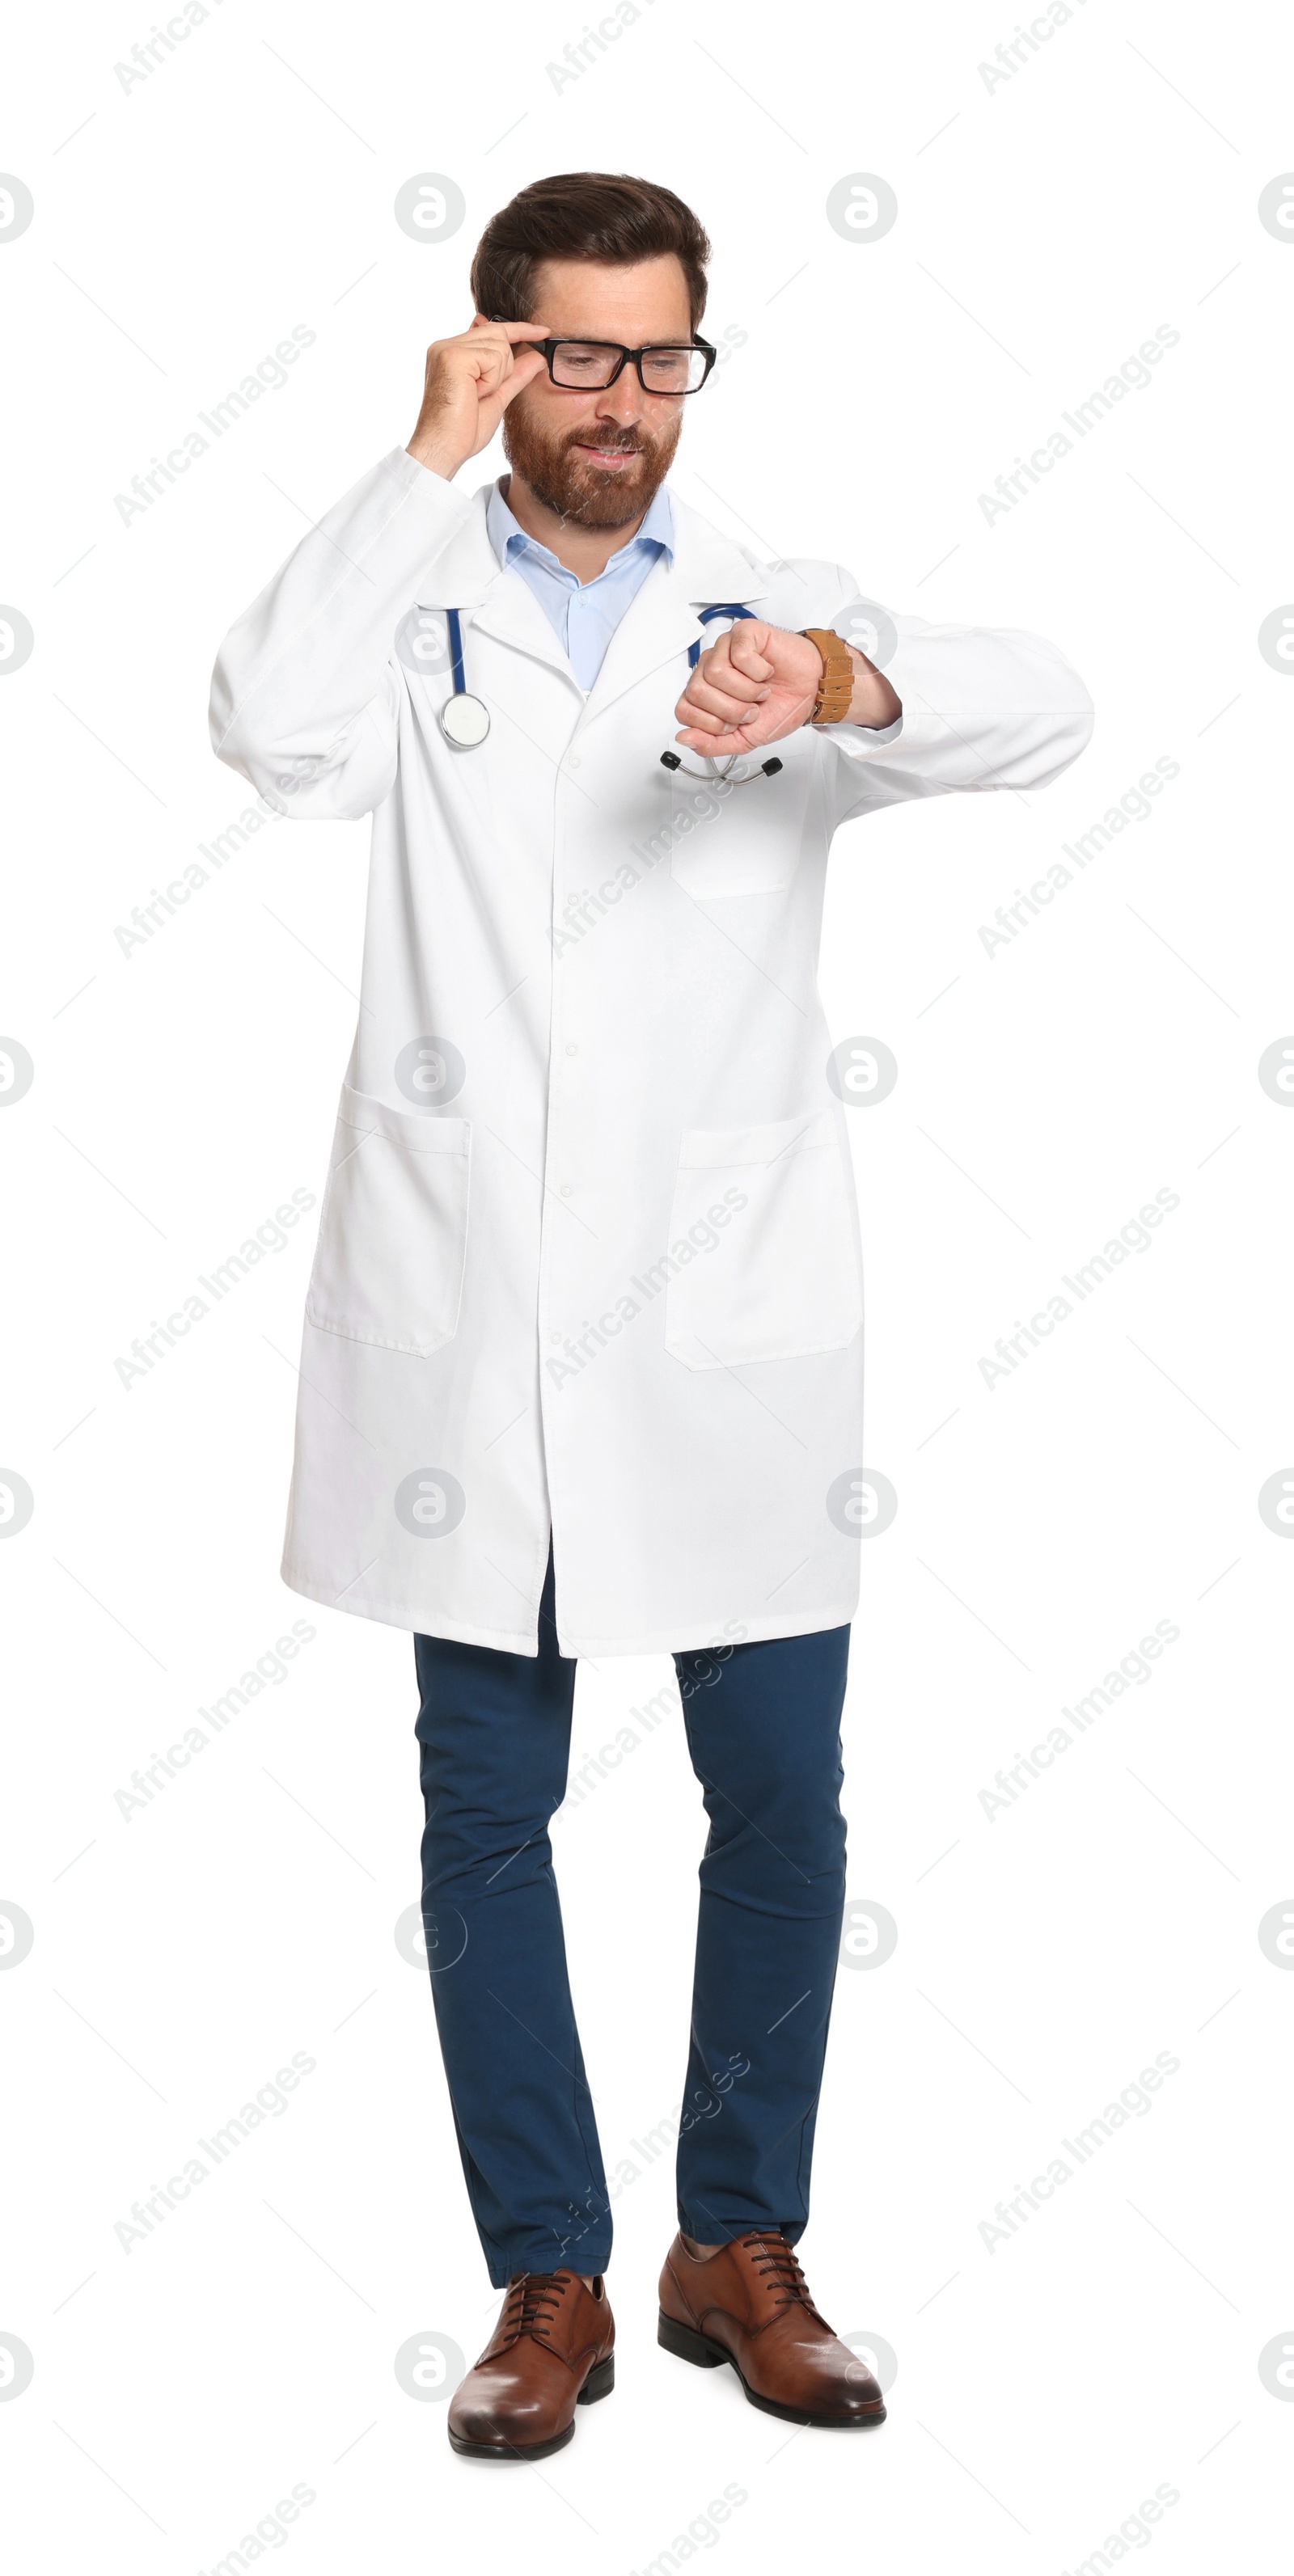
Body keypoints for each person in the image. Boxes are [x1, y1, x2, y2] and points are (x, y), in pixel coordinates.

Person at [209, 171, 1093, 2462]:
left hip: (727, 1332)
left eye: (658, 357)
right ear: (495, 354)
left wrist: (847, 683)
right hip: (473, 1315)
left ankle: (742, 2242)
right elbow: (259, 724)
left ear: (701, 361)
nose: (618, 404)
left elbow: (1047, 708)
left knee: (776, 1800)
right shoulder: (408, 613)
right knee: (484, 1804)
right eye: (570, 356)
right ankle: (550, 2276)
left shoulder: (771, 612)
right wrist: (412, 464)